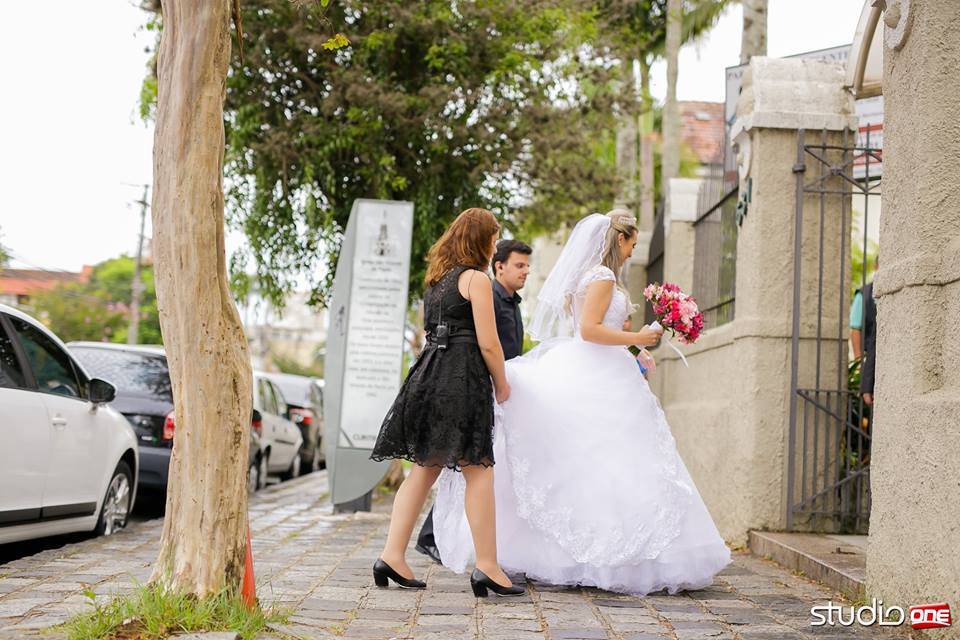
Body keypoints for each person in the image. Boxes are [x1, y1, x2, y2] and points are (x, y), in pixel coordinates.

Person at [433, 210, 731, 596]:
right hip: (599, 373)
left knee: (589, 461)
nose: (631, 253)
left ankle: (572, 553)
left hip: (594, 365)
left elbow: (591, 327)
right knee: (609, 460)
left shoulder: (585, 277)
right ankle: (610, 554)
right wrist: (636, 337)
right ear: (618, 241)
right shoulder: (603, 277)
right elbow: (590, 331)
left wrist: (637, 348)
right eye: (632, 245)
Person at [370, 207, 524, 597]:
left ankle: (391, 555)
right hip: (461, 380)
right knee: (479, 471)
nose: (494, 245)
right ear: (481, 240)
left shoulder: (436, 281)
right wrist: (502, 384)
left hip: (427, 378)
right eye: (493, 238)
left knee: (423, 469)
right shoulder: (476, 279)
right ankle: (487, 566)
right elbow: (489, 343)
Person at [415, 238, 532, 563]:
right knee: (468, 468)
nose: (526, 271)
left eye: (526, 265)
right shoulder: (481, 288)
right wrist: (500, 383)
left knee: (443, 466)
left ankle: (402, 551)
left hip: (471, 381)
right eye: (519, 265)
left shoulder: (452, 283)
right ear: (498, 265)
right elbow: (488, 345)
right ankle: (474, 559)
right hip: (475, 384)